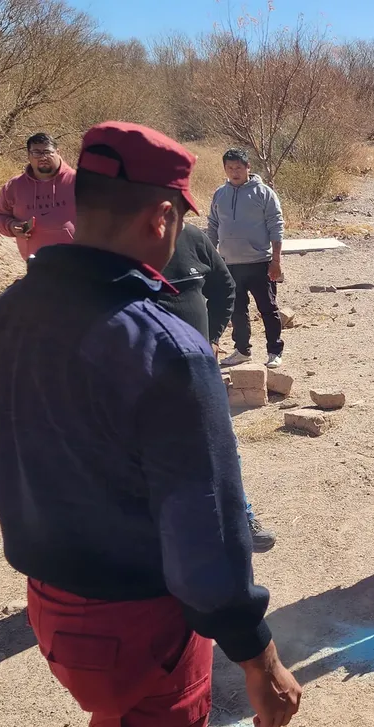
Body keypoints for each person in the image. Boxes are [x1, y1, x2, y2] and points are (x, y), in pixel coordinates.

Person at [0, 121, 301, 727]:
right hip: (138, 623)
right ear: (162, 220)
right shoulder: (167, 350)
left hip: (51, 608)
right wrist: (256, 653)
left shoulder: (3, 317)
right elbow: (205, 527)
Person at [156, 221, 277, 552]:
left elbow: (224, 286)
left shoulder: (191, 237)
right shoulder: (114, 246)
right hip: (143, 376)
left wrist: (210, 336)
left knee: (222, 446)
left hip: (197, 368)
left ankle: (239, 517)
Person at [208, 147, 286, 369]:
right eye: (230, 168)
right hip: (229, 264)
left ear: (248, 167)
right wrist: (211, 258)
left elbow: (276, 226)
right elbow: (213, 226)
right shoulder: (219, 194)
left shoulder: (263, 193)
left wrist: (276, 261)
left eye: (239, 167)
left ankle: (274, 351)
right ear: (225, 169)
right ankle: (242, 350)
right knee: (236, 310)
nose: (234, 172)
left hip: (260, 262)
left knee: (268, 309)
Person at [0, 132, 76, 261]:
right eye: (36, 153)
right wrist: (11, 226)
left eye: (47, 152)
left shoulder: (79, 181)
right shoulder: (14, 186)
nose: (43, 157)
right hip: (35, 264)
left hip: (77, 263)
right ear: (29, 155)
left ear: (58, 152)